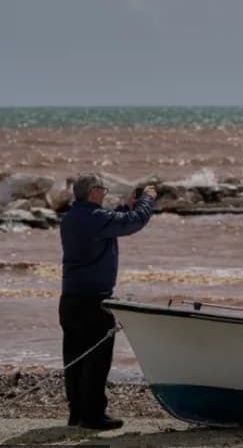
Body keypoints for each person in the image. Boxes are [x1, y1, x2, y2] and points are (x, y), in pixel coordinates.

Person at [59, 174, 157, 430]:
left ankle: (77, 414)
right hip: (93, 301)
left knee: (75, 359)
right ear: (92, 192)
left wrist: (126, 205)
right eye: (102, 189)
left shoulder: (70, 218)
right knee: (96, 359)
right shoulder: (95, 219)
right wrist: (147, 200)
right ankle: (92, 416)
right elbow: (135, 222)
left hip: (70, 300)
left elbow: (114, 222)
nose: (104, 193)